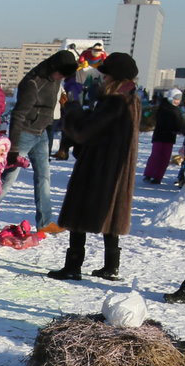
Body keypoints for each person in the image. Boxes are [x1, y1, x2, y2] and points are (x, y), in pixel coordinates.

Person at [48, 52, 141, 282]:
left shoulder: (114, 102)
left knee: (78, 211)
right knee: (111, 214)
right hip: (117, 169)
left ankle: (73, 265)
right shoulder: (131, 99)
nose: (103, 79)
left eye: (106, 75)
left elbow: (84, 131)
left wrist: (73, 106)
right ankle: (111, 265)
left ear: (113, 77)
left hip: (99, 167)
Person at [0, 49, 78, 231]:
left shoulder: (56, 80)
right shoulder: (33, 83)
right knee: (8, 178)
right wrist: (14, 149)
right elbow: (18, 115)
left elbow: (50, 108)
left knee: (44, 176)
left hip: (41, 133)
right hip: (24, 133)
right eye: (61, 73)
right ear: (54, 67)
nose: (62, 78)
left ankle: (45, 223)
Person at [143, 89, 185, 184]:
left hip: (168, 137)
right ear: (170, 98)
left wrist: (180, 129)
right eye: (176, 98)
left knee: (163, 157)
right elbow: (151, 116)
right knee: (157, 156)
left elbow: (179, 124)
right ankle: (150, 174)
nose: (177, 101)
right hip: (161, 136)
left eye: (179, 99)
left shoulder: (175, 110)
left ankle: (156, 176)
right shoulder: (163, 108)